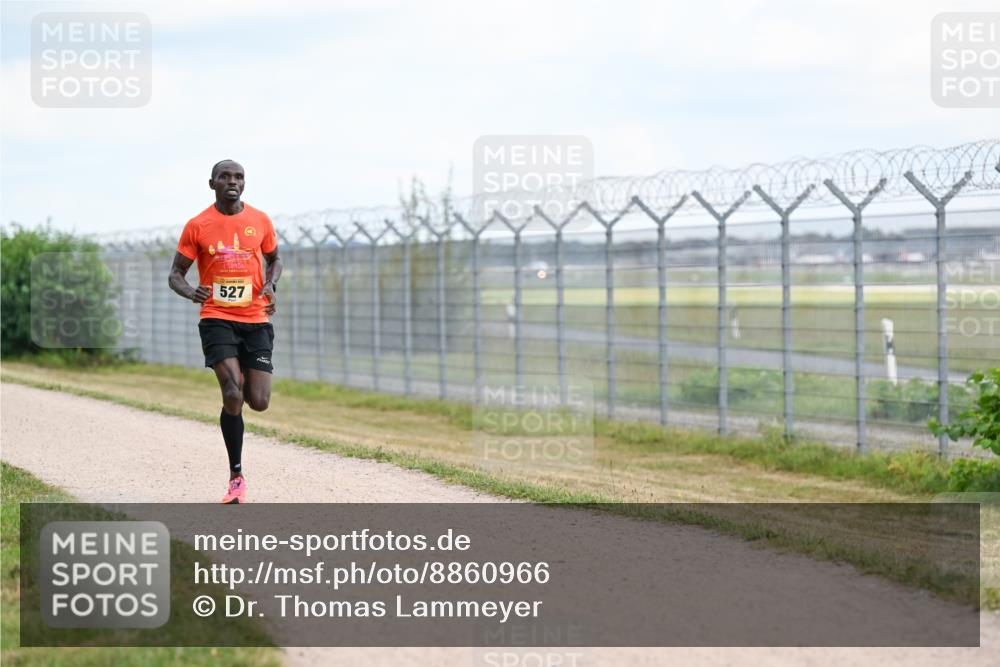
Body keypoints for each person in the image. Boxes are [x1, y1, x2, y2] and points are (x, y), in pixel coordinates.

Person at [168, 159, 282, 503]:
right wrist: (192, 292)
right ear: (212, 183)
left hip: (256, 318)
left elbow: (276, 259)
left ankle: (241, 387)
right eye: (225, 177)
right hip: (216, 316)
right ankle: (236, 476)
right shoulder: (198, 225)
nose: (232, 181)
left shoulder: (260, 220)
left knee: (258, 401)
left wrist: (272, 284)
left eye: (239, 177)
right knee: (233, 392)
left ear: (244, 184)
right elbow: (175, 273)